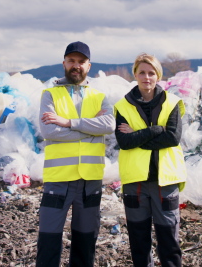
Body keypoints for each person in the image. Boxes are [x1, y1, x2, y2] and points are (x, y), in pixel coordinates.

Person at [36, 41, 116, 266]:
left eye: (81, 62)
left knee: (85, 243)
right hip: (58, 179)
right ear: (64, 63)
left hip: (89, 180)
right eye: (71, 61)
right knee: (48, 242)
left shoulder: (99, 96)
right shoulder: (50, 95)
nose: (76, 66)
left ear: (89, 66)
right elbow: (50, 131)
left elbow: (109, 125)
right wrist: (91, 131)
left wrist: (69, 122)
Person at [114, 53, 186, 267]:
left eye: (151, 73)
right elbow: (124, 142)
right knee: (139, 242)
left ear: (158, 76)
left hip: (166, 180)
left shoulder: (171, 103)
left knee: (169, 241)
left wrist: (138, 134)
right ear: (135, 74)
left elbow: (172, 137)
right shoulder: (123, 106)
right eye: (142, 72)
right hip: (135, 183)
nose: (147, 77)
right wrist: (155, 130)